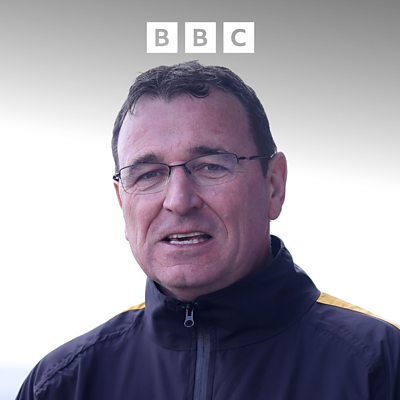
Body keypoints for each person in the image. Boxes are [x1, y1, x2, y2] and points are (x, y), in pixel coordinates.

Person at [16, 61, 400, 399]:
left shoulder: (381, 365)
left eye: (211, 166)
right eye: (148, 174)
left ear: (273, 185)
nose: (179, 200)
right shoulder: (63, 385)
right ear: (122, 201)